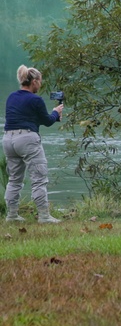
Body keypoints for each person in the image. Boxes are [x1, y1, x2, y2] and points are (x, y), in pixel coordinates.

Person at [4, 65, 63, 223]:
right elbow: (47, 121)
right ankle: (44, 216)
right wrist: (56, 112)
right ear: (34, 82)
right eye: (40, 82)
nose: (40, 85)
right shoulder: (36, 99)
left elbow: (23, 117)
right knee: (39, 178)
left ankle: (11, 215)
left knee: (14, 179)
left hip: (8, 139)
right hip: (27, 140)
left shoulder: (11, 97)